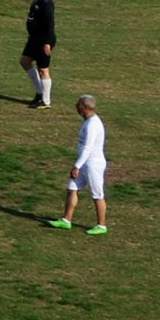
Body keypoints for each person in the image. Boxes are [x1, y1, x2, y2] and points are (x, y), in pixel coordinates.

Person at [49, 95, 109, 233]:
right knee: (72, 188)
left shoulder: (93, 125)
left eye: (79, 104)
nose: (76, 106)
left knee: (97, 194)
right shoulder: (88, 121)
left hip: (92, 164)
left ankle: (101, 226)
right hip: (85, 163)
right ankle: (66, 220)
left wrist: (77, 166)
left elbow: (88, 147)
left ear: (85, 107)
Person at [21, 0, 56, 107]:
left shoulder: (46, 3)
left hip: (43, 40)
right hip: (34, 39)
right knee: (25, 62)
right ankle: (40, 92)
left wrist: (48, 43)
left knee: (43, 70)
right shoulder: (37, 0)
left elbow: (50, 24)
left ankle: (46, 101)